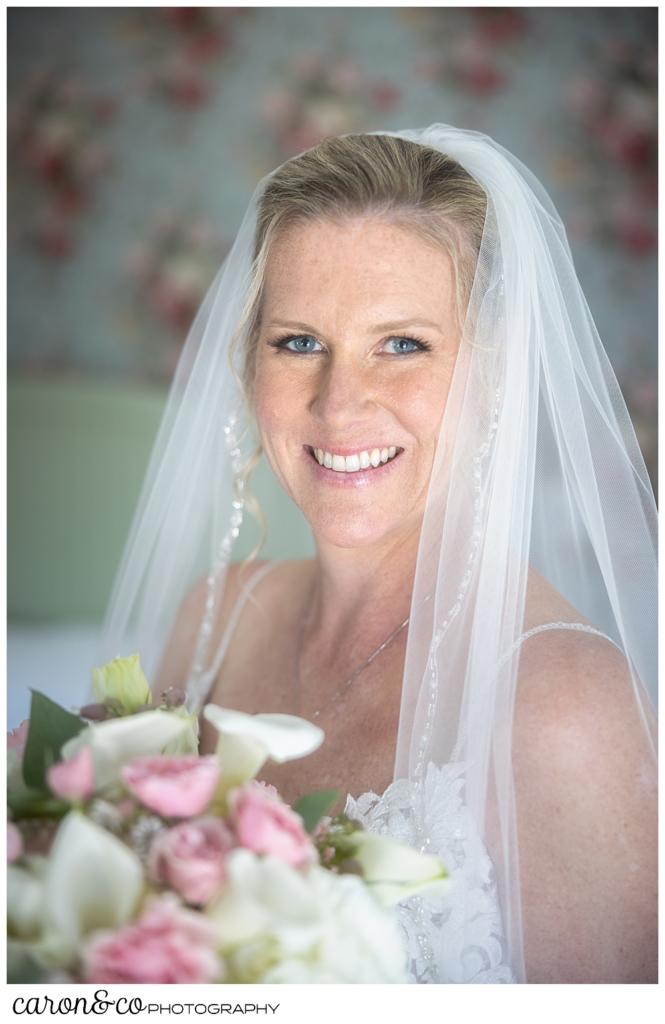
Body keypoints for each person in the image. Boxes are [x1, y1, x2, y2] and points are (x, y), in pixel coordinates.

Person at [99, 126, 657, 984]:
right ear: (248, 363)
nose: (340, 402)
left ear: (495, 370)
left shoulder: (564, 710)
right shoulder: (212, 620)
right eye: (297, 342)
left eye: (402, 344)